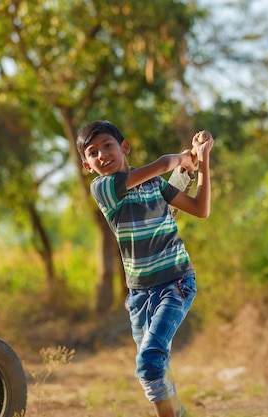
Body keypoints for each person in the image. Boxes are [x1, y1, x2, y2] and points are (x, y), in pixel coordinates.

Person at [76, 120, 213, 417]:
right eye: (92, 152)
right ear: (87, 165)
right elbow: (163, 164)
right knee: (152, 368)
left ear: (124, 147)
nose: (101, 155)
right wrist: (178, 160)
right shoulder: (103, 189)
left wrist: (201, 162)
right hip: (139, 296)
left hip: (176, 282)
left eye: (107, 146)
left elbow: (200, 209)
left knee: (149, 361)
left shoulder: (156, 186)